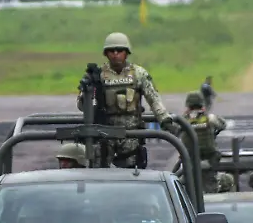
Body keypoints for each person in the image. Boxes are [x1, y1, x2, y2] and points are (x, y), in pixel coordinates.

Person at [76, 32, 171, 168]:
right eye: (111, 51)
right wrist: (88, 90)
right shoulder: (98, 75)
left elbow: (153, 98)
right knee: (99, 173)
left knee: (133, 172)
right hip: (105, 135)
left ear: (126, 52)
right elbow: (82, 106)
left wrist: (165, 119)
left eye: (119, 50)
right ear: (106, 53)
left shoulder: (138, 74)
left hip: (131, 134)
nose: (115, 54)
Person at [184, 91, 227, 193]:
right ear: (202, 105)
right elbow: (222, 125)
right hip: (210, 158)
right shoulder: (210, 118)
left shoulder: (183, 120)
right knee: (211, 185)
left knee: (188, 185)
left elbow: (174, 130)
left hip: (190, 159)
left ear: (188, 106)